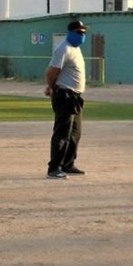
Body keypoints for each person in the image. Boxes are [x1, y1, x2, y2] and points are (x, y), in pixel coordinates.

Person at [45, 20, 88, 179]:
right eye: (79, 32)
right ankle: (54, 168)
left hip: (75, 97)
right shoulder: (63, 49)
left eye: (84, 32)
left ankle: (68, 164)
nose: (82, 35)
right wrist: (51, 87)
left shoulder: (76, 49)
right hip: (65, 95)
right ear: (70, 33)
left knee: (75, 133)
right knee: (62, 133)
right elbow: (51, 71)